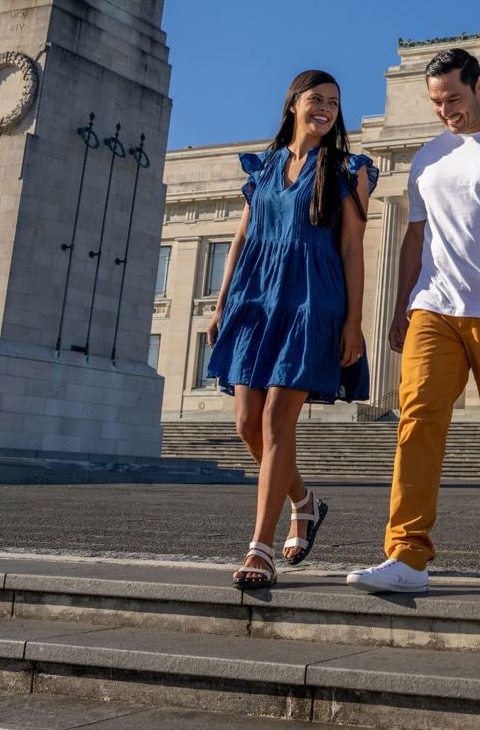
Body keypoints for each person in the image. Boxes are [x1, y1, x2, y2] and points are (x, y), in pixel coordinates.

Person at [347, 48, 480, 593]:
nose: (446, 111)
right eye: (437, 103)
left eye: (455, 99)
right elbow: (415, 237)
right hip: (433, 306)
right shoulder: (428, 157)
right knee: (416, 420)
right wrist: (402, 306)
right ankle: (407, 554)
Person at [205, 70, 375, 590]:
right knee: (246, 424)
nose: (325, 108)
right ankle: (304, 501)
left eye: (334, 102)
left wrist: (353, 322)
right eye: (316, 99)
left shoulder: (347, 170)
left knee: (278, 420)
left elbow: (352, 249)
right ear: (293, 105)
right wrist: (221, 305)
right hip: (255, 300)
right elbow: (241, 239)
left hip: (311, 301)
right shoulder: (263, 168)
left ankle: (259, 549)